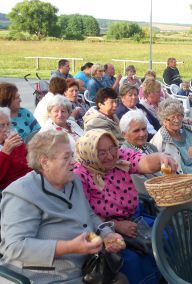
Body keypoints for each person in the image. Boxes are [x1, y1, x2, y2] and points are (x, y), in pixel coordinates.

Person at [0, 130, 127, 284]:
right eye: (66, 157)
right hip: (47, 277)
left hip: (87, 268)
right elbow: (15, 247)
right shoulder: (21, 193)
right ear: (44, 162)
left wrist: (106, 234)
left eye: (72, 155)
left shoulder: (74, 181)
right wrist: (69, 247)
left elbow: (89, 215)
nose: (74, 162)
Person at [74, 129, 177, 284]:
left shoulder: (120, 158)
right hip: (105, 228)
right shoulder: (80, 175)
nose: (109, 156)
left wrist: (161, 158)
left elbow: (143, 162)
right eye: (101, 153)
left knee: (165, 235)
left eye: (112, 149)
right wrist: (117, 225)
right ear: (89, 154)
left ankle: (169, 277)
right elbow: (86, 214)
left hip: (135, 216)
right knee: (132, 260)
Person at [151, 98, 192, 174]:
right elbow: (180, 169)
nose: (177, 120)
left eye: (179, 116)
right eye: (172, 117)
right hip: (184, 179)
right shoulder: (163, 142)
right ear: (164, 121)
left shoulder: (184, 131)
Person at [120, 110, 161, 194]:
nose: (142, 134)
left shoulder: (151, 147)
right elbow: (145, 190)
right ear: (124, 134)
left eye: (144, 129)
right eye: (136, 131)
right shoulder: (125, 157)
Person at [0, 107, 31, 189]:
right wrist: (5, 152)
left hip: (28, 182)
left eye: (8, 124)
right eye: (2, 125)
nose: (6, 129)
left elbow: (29, 163)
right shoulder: (7, 147)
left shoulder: (14, 142)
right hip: (11, 190)